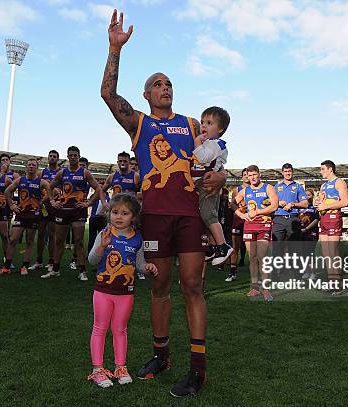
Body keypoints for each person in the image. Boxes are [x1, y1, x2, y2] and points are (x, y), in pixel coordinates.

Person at [100, 9, 226, 396]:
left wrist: (221, 176)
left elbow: (218, 160)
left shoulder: (191, 124)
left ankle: (198, 369)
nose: (165, 87)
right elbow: (107, 94)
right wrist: (114, 48)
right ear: (146, 94)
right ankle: (162, 354)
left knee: (192, 287)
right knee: (159, 288)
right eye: (158, 84)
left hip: (188, 217)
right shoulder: (138, 123)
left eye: (169, 83)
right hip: (153, 218)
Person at [86, 193, 158, 387]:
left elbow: (140, 265)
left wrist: (148, 267)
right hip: (102, 291)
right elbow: (92, 260)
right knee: (99, 328)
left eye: (125, 213)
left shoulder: (138, 239)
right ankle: (98, 370)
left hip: (125, 293)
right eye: (115, 212)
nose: (118, 217)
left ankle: (120, 367)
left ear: (133, 217)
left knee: (120, 329)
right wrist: (102, 246)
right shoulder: (105, 234)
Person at [43, 146, 104, 281]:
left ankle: (82, 271)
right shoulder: (62, 173)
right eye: (70, 155)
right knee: (59, 241)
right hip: (63, 210)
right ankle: (55, 270)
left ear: (78, 156)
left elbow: (98, 188)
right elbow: (49, 187)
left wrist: (88, 203)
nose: (73, 157)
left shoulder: (85, 173)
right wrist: (52, 201)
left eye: (75, 155)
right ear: (67, 156)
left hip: (78, 211)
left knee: (78, 241)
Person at [193, 106, 233, 266]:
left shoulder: (216, 144)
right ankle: (212, 247)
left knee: (209, 216)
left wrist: (197, 142)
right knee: (205, 216)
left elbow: (202, 158)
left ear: (221, 128)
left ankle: (223, 245)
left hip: (207, 185)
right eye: (203, 122)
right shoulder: (210, 143)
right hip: (203, 185)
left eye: (209, 123)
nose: (204, 126)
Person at [233, 165, 279, 301]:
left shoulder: (268, 188)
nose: (252, 177)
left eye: (254, 175)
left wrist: (257, 211)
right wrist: (240, 215)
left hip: (264, 226)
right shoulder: (245, 191)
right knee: (252, 258)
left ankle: (266, 289)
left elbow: (274, 206)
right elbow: (232, 203)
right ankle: (254, 288)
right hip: (249, 226)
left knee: (261, 257)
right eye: (249, 175)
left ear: (259, 174)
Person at [0, 158, 50, 275]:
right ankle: (6, 267)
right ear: (26, 167)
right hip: (21, 214)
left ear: (36, 168)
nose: (31, 166)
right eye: (29, 165)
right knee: (13, 239)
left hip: (34, 215)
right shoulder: (20, 180)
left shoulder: (41, 182)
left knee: (30, 241)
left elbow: (52, 191)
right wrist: (11, 205)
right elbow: (7, 191)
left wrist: (42, 201)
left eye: (33, 165)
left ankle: (24, 266)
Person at [315, 160, 348, 293]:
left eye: (323, 169)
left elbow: (345, 202)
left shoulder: (339, 182)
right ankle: (331, 283)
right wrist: (319, 203)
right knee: (326, 254)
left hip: (334, 219)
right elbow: (322, 202)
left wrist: (326, 206)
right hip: (323, 220)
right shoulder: (323, 185)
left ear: (330, 169)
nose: (321, 171)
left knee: (333, 253)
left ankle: (338, 285)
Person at [272, 163, 308, 277]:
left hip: (293, 219)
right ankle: (275, 274)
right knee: (277, 248)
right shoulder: (276, 187)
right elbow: (267, 202)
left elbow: (305, 203)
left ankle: (298, 275)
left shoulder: (298, 187)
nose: (288, 173)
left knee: (295, 248)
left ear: (292, 172)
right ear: (282, 173)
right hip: (278, 219)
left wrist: (293, 204)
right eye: (286, 171)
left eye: (290, 171)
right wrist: (278, 203)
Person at [31, 150, 61, 272]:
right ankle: (38, 261)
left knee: (52, 234)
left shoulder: (60, 172)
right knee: (41, 234)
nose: (52, 158)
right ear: (48, 158)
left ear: (57, 159)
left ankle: (51, 261)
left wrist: (43, 199)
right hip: (43, 207)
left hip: (54, 206)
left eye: (54, 156)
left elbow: (57, 191)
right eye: (50, 156)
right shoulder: (42, 172)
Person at [226, 168, 249, 281]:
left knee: (252, 249)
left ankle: (256, 273)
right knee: (235, 247)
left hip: (250, 221)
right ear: (242, 176)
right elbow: (232, 205)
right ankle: (232, 272)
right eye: (244, 175)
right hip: (238, 221)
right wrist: (239, 212)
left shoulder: (255, 189)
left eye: (248, 175)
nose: (246, 176)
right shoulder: (237, 190)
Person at [298, 189, 320, 279]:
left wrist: (306, 229)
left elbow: (316, 220)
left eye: (309, 195)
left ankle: (313, 273)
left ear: (312, 196)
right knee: (303, 253)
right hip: (301, 233)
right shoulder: (300, 208)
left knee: (310, 253)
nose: (307, 196)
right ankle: (307, 271)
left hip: (311, 233)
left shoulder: (315, 208)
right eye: (305, 195)